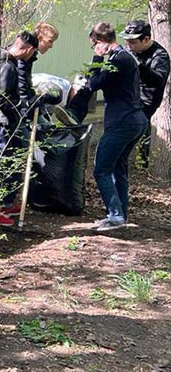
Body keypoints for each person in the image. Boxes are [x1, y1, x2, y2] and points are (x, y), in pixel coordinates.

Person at [72, 23, 146, 231]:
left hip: (123, 122)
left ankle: (115, 216)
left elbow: (95, 83)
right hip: (133, 120)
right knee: (118, 167)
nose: (94, 49)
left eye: (94, 46)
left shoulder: (119, 59)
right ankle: (119, 214)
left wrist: (97, 59)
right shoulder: (123, 57)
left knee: (101, 169)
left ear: (101, 42)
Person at [0, 31, 39, 227]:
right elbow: (1, 98)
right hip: (4, 125)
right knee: (2, 166)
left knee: (11, 164)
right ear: (28, 49)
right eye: (32, 53)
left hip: (10, 122)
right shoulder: (7, 66)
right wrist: (22, 104)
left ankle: (3, 205)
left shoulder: (7, 62)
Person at [121, 20, 170, 164]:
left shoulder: (159, 55)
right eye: (127, 42)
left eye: (133, 42)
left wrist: (138, 65)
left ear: (146, 39)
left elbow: (158, 80)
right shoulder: (131, 50)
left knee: (126, 142)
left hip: (145, 104)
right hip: (128, 99)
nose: (129, 46)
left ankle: (142, 161)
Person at [16, 22, 59, 101]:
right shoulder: (25, 53)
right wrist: (25, 106)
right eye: (50, 41)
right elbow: (21, 82)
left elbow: (26, 83)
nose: (51, 46)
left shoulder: (31, 54)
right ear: (40, 38)